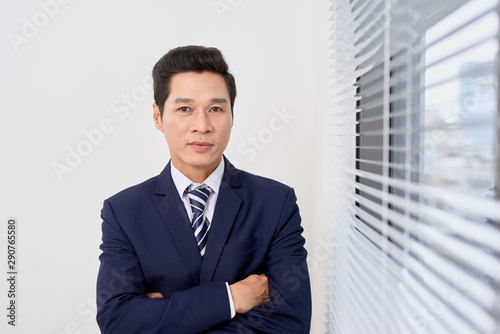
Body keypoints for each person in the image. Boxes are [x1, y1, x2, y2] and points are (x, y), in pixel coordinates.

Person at [96, 45, 311, 333]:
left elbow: (290, 323)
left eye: (215, 109)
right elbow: (117, 321)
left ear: (232, 116)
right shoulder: (123, 212)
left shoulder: (276, 202)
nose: (202, 125)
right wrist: (232, 298)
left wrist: (163, 318)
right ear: (158, 117)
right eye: (185, 108)